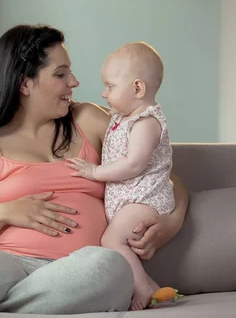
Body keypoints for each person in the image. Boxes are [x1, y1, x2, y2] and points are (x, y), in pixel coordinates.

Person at [0, 24, 189, 318]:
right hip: (4, 263)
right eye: (60, 74)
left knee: (110, 267)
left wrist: (173, 222)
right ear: (25, 84)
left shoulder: (88, 121)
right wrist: (2, 213)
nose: (74, 82)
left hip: (78, 269)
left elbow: (162, 176)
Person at [67, 41, 174, 310]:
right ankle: (152, 287)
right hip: (132, 201)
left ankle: (141, 287)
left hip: (145, 201)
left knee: (110, 240)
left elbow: (133, 165)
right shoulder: (121, 117)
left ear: (137, 88)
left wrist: (95, 172)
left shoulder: (146, 123)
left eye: (110, 86)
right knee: (111, 239)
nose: (104, 93)